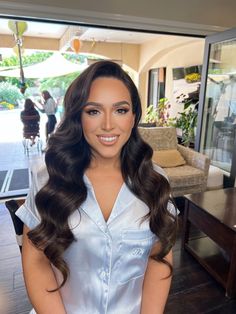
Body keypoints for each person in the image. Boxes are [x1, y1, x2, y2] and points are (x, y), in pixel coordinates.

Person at [16, 61, 177, 314]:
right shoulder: (49, 179)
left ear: (134, 116)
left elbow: (159, 257)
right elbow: (36, 259)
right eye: (94, 111)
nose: (108, 125)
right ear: (78, 116)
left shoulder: (154, 182)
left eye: (120, 110)